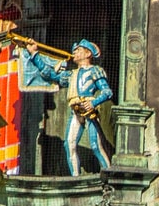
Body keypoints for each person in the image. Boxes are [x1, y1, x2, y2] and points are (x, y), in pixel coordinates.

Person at [22, 39, 114, 175]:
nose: (74, 52)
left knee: (96, 146)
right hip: (75, 111)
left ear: (88, 53)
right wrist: (35, 54)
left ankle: (109, 175)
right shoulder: (72, 74)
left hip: (89, 110)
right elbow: (51, 74)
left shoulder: (95, 71)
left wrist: (93, 103)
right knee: (69, 145)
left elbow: (107, 92)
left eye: (78, 50)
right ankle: (75, 177)